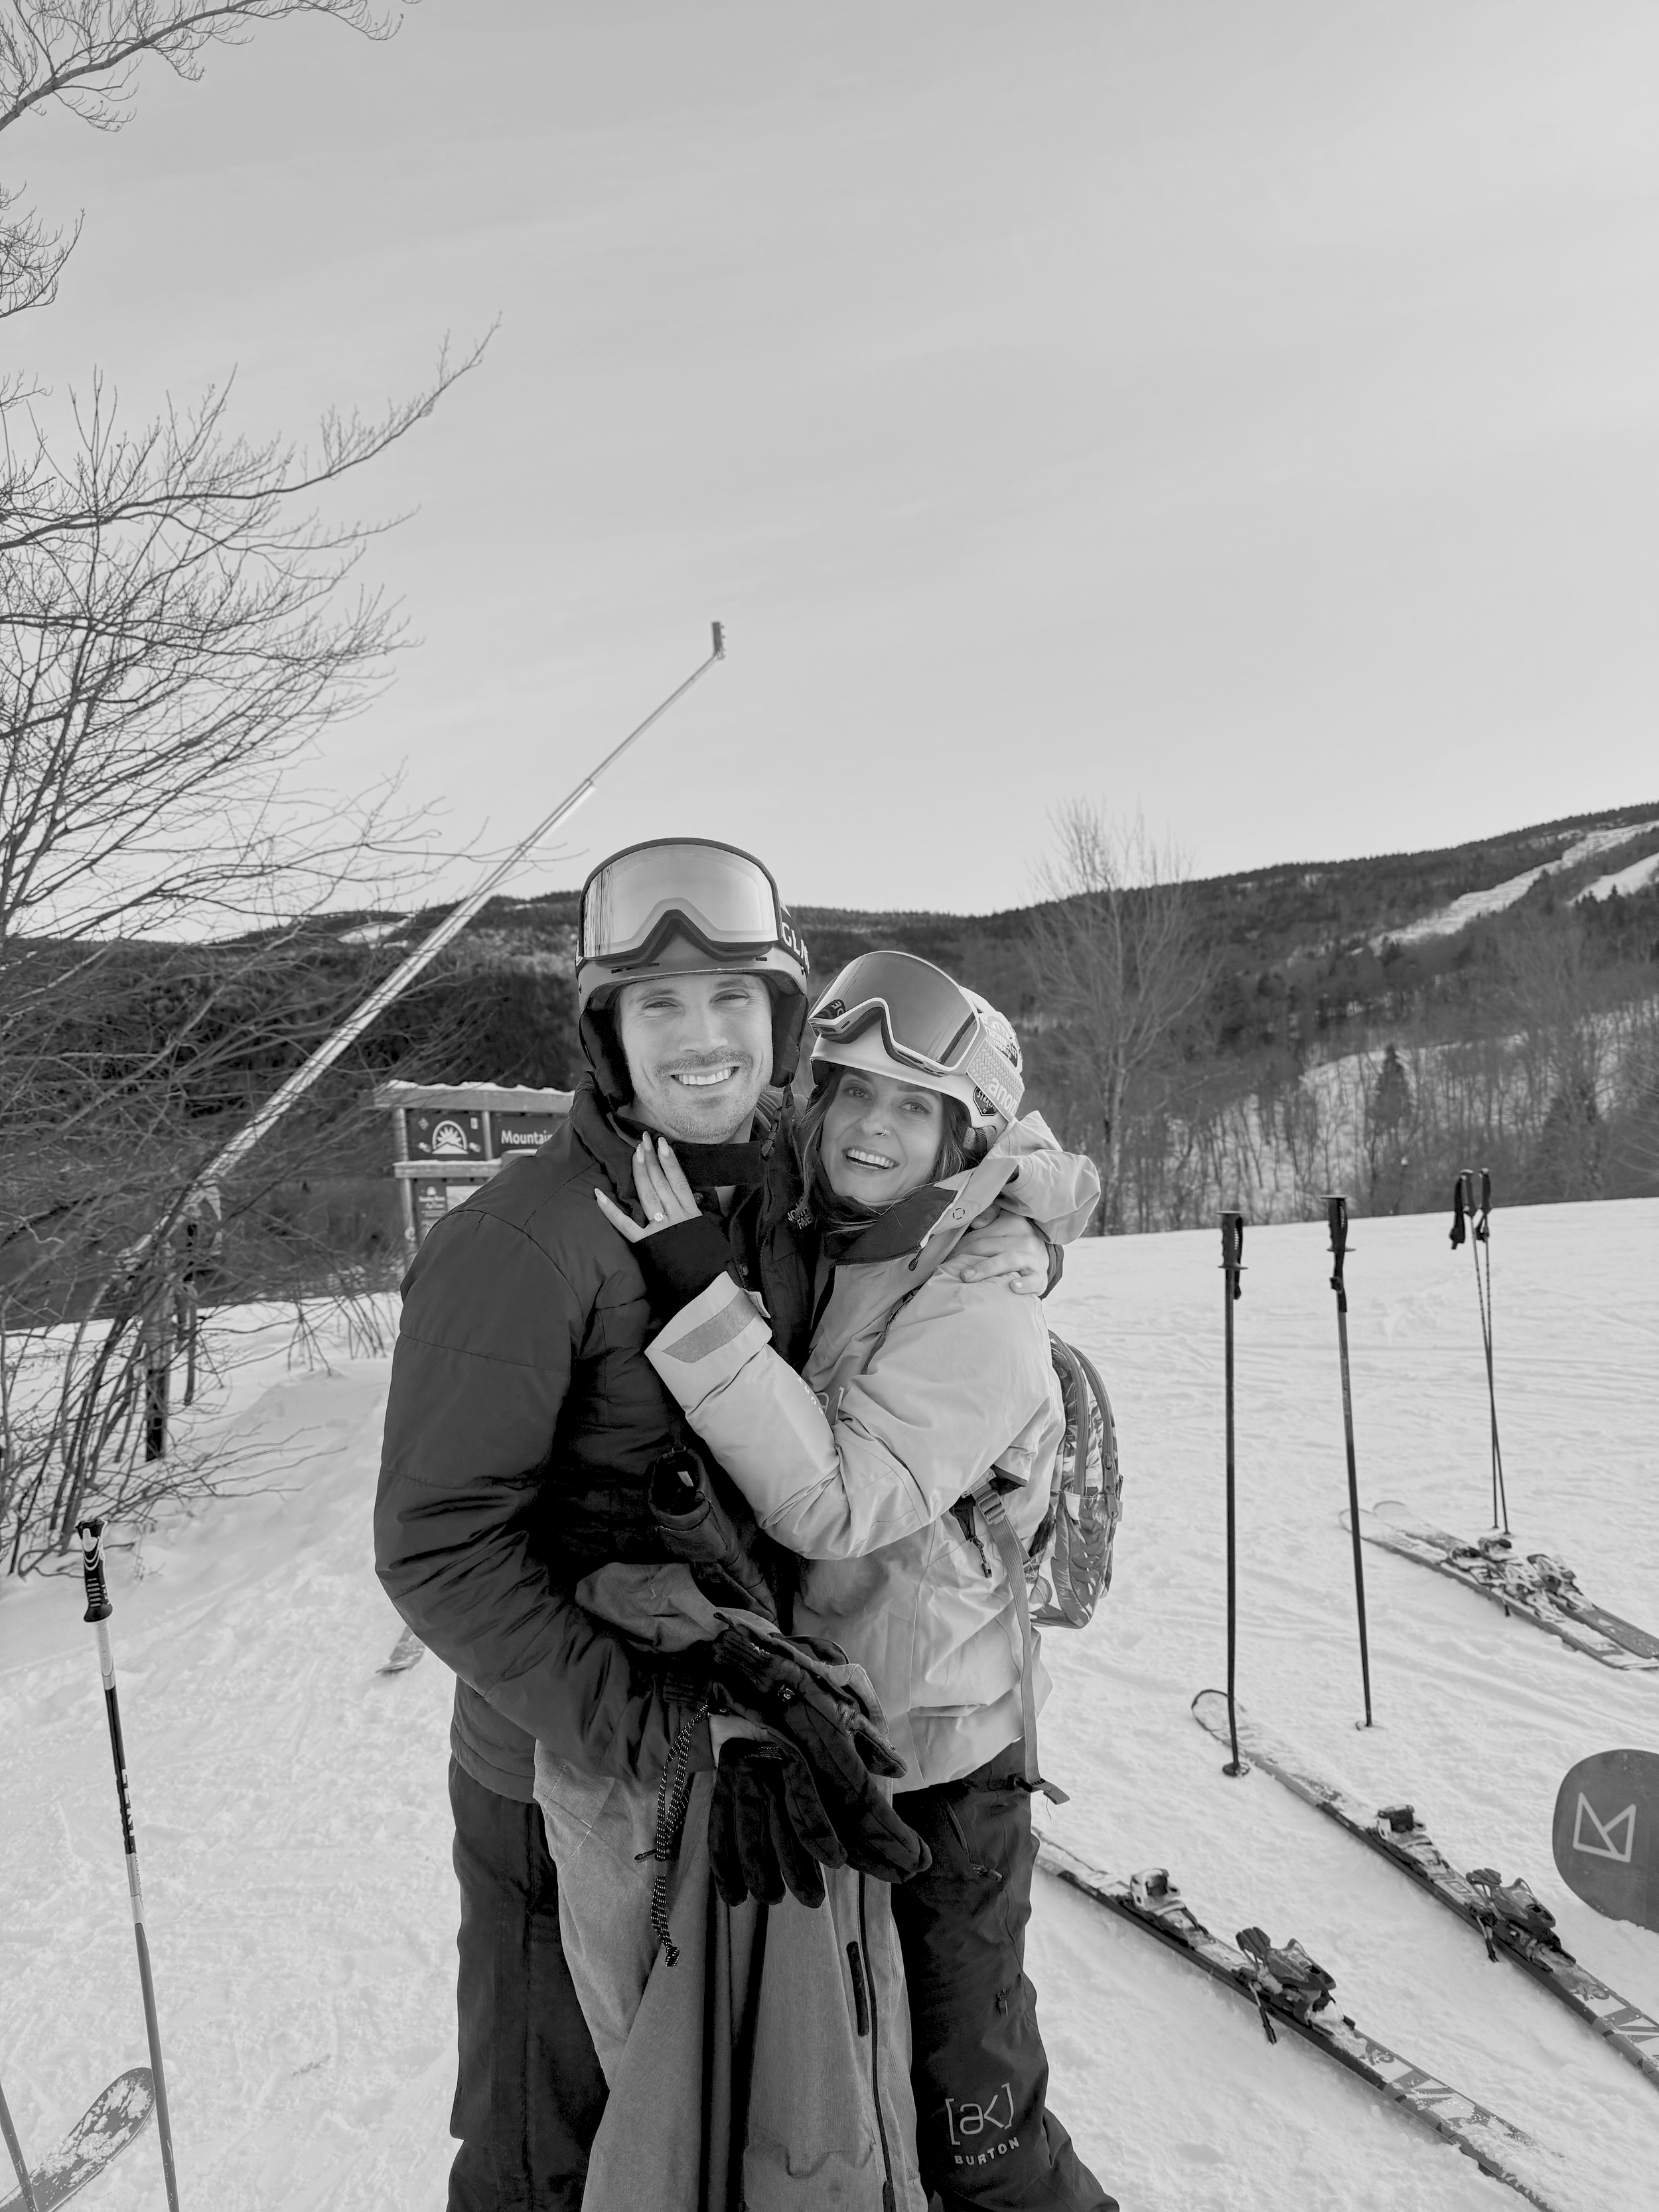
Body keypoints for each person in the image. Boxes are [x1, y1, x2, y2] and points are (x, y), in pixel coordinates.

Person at [374, 840, 1057, 2212]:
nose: (702, 1038)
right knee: (551, 2148)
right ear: (608, 1033)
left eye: (734, 999)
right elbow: (439, 1549)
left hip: (747, 1757)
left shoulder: (768, 1205)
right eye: (661, 1004)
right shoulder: (523, 1240)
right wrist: (667, 1729)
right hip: (564, 1767)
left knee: (719, 2135)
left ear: (778, 1023)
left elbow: (825, 1453)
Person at [599, 950, 1117, 2212]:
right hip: (853, 1741)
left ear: (961, 1139)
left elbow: (839, 1506)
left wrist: (699, 1296)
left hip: (949, 1769)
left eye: (914, 1108)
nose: (874, 1128)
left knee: (975, 2127)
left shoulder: (979, 1301)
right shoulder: (861, 1243)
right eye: (856, 1093)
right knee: (879, 2102)